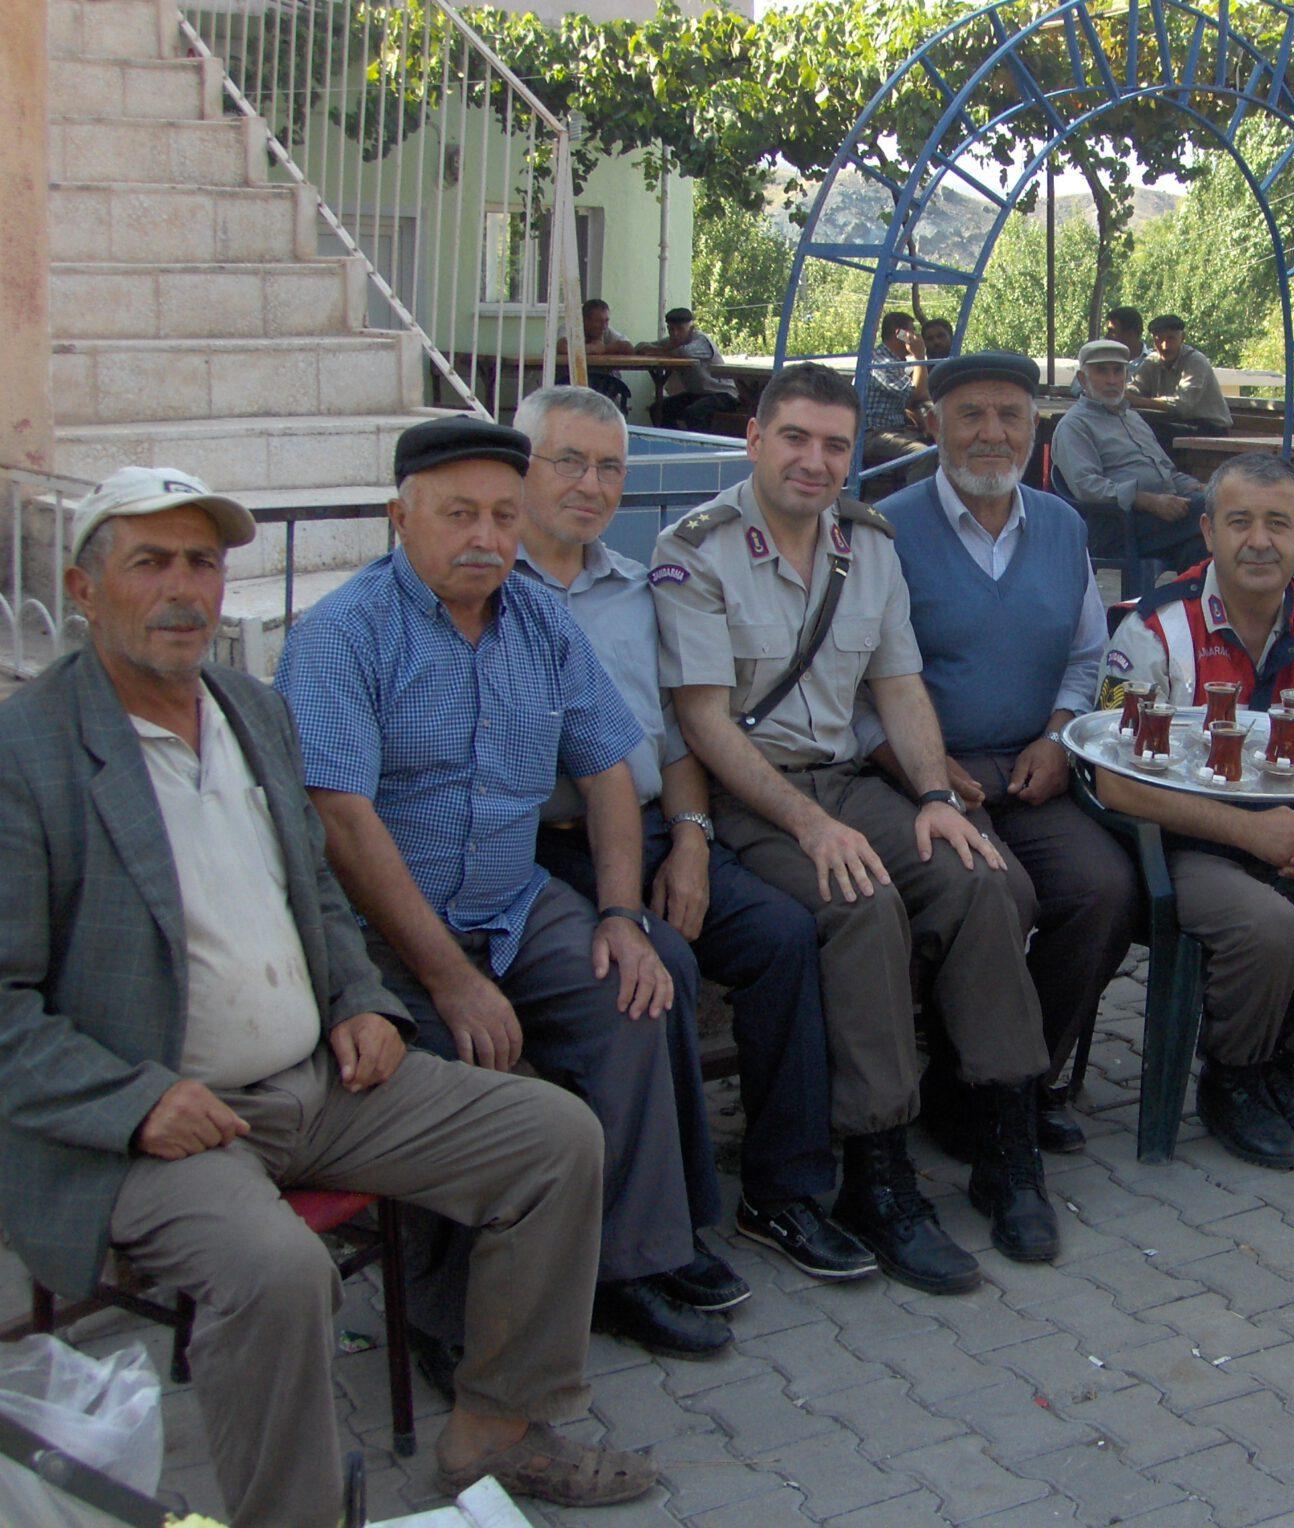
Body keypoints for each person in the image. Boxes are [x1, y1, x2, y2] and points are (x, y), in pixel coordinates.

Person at [0, 467, 655, 1522]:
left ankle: (498, 1422)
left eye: (202, 563)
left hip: (315, 1078)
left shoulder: (249, 709)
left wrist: (362, 1001)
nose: (183, 590)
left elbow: (316, 891)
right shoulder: (25, 753)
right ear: (83, 589)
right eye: (149, 563)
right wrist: (135, 1101)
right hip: (157, 1122)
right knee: (277, 1271)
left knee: (552, 1138)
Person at [274, 418, 731, 1378]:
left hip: (513, 904)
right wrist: (449, 981)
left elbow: (609, 764)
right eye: (457, 514)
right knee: (455, 1078)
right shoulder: (343, 634)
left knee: (633, 994)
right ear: (401, 517)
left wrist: (618, 913)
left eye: (500, 515)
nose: (484, 537)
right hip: (386, 936)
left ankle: (628, 1268)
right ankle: (449, 1325)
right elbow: (344, 826)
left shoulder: (537, 618)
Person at [654, 362, 1060, 1294]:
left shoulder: (866, 545)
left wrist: (934, 798)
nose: (816, 460)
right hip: (753, 800)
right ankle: (877, 1175)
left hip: (847, 782)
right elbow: (704, 720)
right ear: (755, 441)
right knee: (861, 902)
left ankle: (1007, 1142)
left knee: (984, 878)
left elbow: (898, 684)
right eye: (795, 438)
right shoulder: (697, 550)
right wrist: (806, 825)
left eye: (835, 444)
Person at [512, 385, 873, 1286]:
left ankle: (782, 1193)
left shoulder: (636, 591)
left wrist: (695, 840)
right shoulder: (489, 591)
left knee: (783, 934)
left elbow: (678, 737)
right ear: (524, 467)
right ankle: (665, 1230)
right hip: (539, 847)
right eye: (568, 461)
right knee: (657, 967)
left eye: (609, 467)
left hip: (651, 829)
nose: (591, 485)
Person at [1093, 453, 1294, 1169]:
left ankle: (1275, 1062)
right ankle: (1231, 1076)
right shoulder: (1152, 629)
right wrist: (1250, 831)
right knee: (1266, 926)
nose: (1259, 541)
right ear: (1207, 532)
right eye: (1239, 522)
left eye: (1278, 523)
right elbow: (1112, 782)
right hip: (1188, 842)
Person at [869, 352, 1140, 1153]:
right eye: (971, 415)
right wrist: (921, 769)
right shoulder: (883, 529)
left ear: (1036, 429)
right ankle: (974, 1092)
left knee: (1104, 888)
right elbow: (850, 681)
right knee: (1001, 892)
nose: (992, 434)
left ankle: (1021, 1078)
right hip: (922, 779)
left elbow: (1089, 654)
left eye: (1010, 416)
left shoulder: (1062, 526)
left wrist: (1059, 736)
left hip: (1031, 768)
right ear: (935, 424)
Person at [1052, 337, 1209, 573]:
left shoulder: (1133, 418)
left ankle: (1192, 606)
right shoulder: (1074, 426)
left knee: (1202, 546)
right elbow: (1087, 487)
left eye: (1118, 371)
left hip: (1160, 522)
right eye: (1101, 371)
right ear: (1083, 379)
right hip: (1115, 525)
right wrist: (1146, 500)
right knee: (1214, 509)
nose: (1112, 380)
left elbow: (1167, 473)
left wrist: (1197, 487)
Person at [1131, 313, 1234, 439]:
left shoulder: (1195, 361)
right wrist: (1122, 394)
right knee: (1131, 423)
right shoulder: (1152, 361)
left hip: (1209, 428)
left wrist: (1138, 401)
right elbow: (1136, 387)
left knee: (1153, 430)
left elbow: (1182, 405)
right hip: (1174, 422)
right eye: (1159, 339)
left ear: (1182, 338)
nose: (1164, 346)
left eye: (1171, 339)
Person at [641, 307, 740, 432]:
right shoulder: (673, 342)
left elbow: (684, 352)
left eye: (680, 329)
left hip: (723, 394)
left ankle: (702, 447)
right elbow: (641, 346)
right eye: (671, 330)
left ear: (691, 329)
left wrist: (660, 350)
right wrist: (650, 348)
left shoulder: (701, 340)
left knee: (693, 413)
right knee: (658, 409)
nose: (675, 334)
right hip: (698, 394)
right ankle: (674, 442)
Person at [861, 310, 934, 474]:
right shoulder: (881, 362)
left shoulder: (895, 362)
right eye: (912, 331)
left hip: (893, 429)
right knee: (923, 454)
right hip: (873, 434)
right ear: (899, 334)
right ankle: (914, 498)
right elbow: (918, 394)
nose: (916, 336)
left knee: (941, 442)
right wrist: (919, 356)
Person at [558, 297, 636, 414]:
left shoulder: (606, 331)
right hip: (570, 390)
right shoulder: (570, 327)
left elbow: (629, 347)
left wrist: (604, 348)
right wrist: (592, 348)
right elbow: (563, 347)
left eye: (606, 321)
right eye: (599, 321)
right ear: (585, 320)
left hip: (603, 393)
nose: (604, 326)